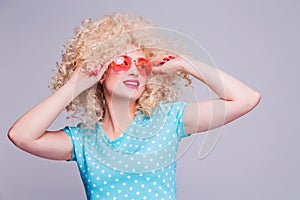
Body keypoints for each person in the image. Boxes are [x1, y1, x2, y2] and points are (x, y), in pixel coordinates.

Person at [8, 12, 261, 200]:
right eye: (120, 61)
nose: (133, 70)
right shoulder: (83, 141)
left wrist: (184, 63)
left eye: (142, 64)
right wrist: (76, 84)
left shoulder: (168, 121)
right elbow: (21, 136)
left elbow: (246, 99)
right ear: (100, 71)